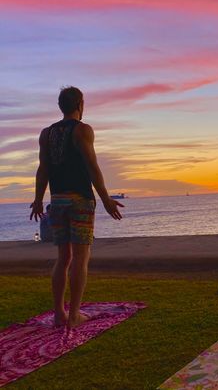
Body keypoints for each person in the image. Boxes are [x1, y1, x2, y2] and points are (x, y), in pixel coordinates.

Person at [30, 86, 124, 329]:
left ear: (61, 106)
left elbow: (43, 170)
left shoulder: (46, 134)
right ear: (80, 105)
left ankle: (59, 313)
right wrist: (105, 198)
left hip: (58, 201)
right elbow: (92, 167)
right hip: (80, 201)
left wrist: (39, 198)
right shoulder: (83, 130)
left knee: (63, 258)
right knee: (81, 259)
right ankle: (73, 315)